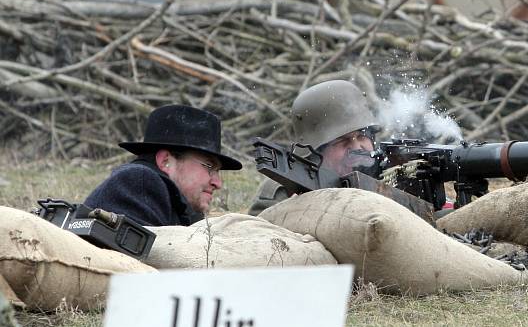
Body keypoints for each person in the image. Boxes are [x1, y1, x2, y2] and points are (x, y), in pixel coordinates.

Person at [85, 104, 242, 226]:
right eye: (209, 167)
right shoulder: (138, 181)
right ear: (165, 161)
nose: (218, 183)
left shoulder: (166, 197)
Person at [248, 80, 380, 215]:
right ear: (317, 150)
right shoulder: (285, 189)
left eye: (362, 136)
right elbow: (258, 230)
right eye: (343, 140)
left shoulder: (383, 173)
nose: (357, 147)